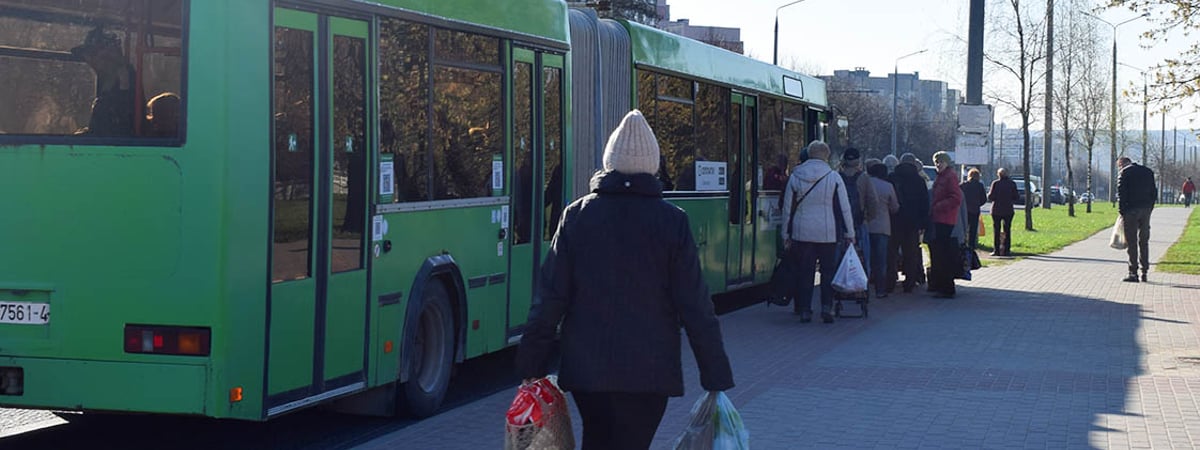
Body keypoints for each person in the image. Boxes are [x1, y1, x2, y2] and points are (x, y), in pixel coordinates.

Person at [515, 110, 734, 449]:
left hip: (588, 371)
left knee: (597, 439)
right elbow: (695, 304)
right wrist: (714, 372)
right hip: (649, 373)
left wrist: (532, 363)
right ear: (653, 166)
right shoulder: (672, 222)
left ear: (610, 164)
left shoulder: (577, 215)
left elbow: (550, 297)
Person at [782, 140, 855, 323]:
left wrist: (785, 233)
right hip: (827, 233)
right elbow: (845, 208)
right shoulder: (833, 177)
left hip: (802, 232)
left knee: (805, 272)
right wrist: (850, 233)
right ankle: (826, 308)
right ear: (827, 155)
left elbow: (786, 208)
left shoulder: (796, 175)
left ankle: (805, 310)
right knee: (827, 271)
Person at [71, 26, 136, 137]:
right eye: (87, 56)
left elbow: (121, 125)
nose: (89, 60)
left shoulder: (125, 76)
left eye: (93, 54)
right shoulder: (104, 80)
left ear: (110, 54)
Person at [887, 153, 929, 293]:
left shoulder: (893, 177)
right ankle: (910, 282)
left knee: (892, 252)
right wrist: (923, 223)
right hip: (912, 222)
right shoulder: (919, 180)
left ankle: (891, 279)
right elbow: (924, 203)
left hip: (894, 219)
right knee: (911, 253)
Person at [834, 148, 877, 280]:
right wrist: (868, 218)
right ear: (858, 161)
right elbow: (873, 200)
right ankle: (860, 285)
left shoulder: (836, 176)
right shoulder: (864, 178)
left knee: (837, 257)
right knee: (862, 256)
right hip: (859, 222)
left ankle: (837, 284)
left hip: (838, 224)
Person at [927, 151, 963, 298]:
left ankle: (947, 287)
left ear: (947, 163)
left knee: (943, 254)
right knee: (940, 253)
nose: (938, 164)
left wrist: (938, 207)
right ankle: (942, 285)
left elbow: (956, 198)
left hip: (945, 218)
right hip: (939, 218)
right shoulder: (941, 176)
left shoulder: (950, 176)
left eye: (940, 161)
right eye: (936, 162)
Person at [1117, 156, 1158, 282]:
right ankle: (1145, 271)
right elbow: (1154, 192)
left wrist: (1122, 211)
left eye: (1119, 166)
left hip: (1131, 210)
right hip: (1146, 210)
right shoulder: (1148, 171)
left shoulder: (1125, 172)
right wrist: (1150, 206)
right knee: (1144, 241)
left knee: (1132, 242)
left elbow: (1121, 192)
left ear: (1122, 164)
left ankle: (1133, 272)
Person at [866, 162, 899, 298]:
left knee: (866, 259)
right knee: (881, 260)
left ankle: (863, 289)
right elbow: (894, 207)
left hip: (866, 225)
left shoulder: (865, 184)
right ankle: (880, 289)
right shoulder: (888, 186)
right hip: (883, 227)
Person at [987, 168, 1019, 257]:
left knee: (996, 230)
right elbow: (1016, 197)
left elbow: (990, 197)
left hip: (996, 210)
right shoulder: (1012, 184)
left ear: (998, 175)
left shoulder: (995, 183)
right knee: (1007, 230)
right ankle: (1007, 250)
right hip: (1008, 210)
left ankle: (996, 250)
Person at [959, 168, 987, 250]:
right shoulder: (980, 186)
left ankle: (963, 244)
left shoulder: (963, 185)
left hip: (964, 210)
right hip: (975, 210)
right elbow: (984, 199)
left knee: (964, 228)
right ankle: (971, 246)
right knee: (973, 229)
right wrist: (978, 204)